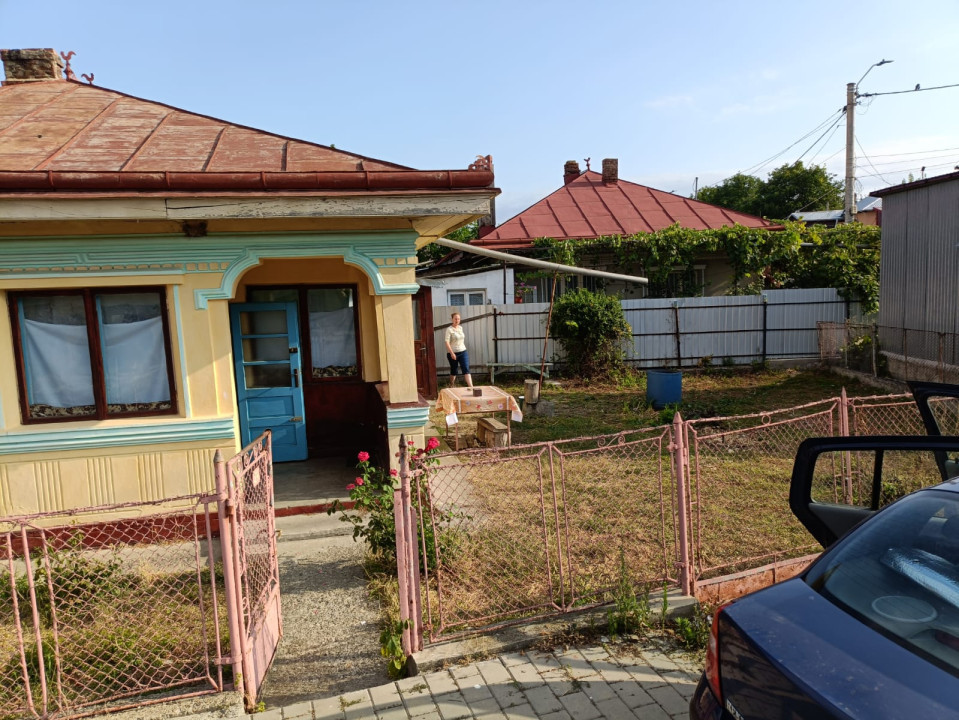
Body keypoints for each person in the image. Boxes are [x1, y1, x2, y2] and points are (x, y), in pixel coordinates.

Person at [444, 312, 473, 388]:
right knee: (454, 371)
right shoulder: (449, 329)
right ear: (452, 319)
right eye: (455, 319)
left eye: (458, 319)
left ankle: (471, 387)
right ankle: (451, 385)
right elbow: (446, 342)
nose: (457, 320)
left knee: (466, 369)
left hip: (463, 351)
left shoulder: (460, 328)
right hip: (453, 353)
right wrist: (452, 353)